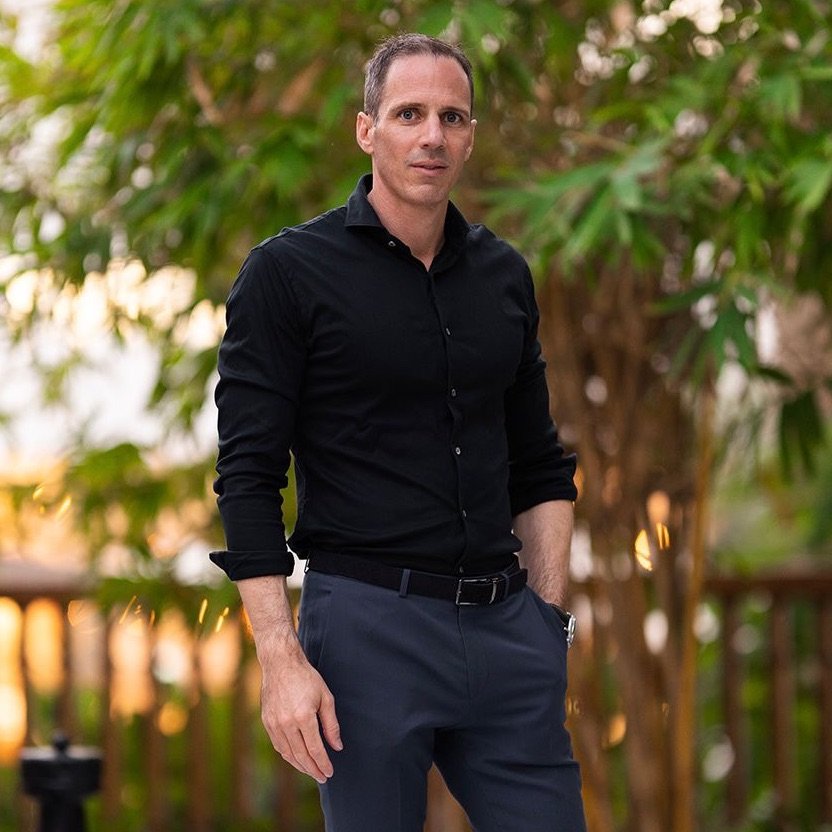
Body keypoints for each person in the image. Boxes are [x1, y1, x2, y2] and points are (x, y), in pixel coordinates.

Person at [210, 32, 587, 832]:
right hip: (367, 636)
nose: (432, 136)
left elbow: (539, 466)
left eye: (453, 117)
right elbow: (247, 477)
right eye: (409, 114)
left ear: (471, 137)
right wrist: (280, 658)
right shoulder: (287, 274)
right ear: (367, 129)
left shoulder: (503, 275)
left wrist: (547, 622)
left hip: (507, 632)